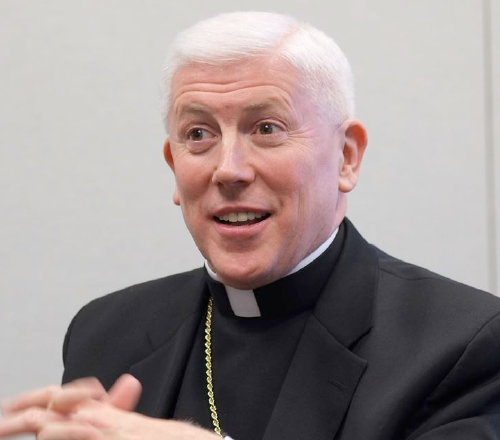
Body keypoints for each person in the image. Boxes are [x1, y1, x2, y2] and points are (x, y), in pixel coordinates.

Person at [1, 10, 500, 440]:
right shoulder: (106, 332)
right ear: (174, 166)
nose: (228, 170)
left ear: (346, 157)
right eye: (199, 134)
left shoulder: (462, 345)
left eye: (266, 128)